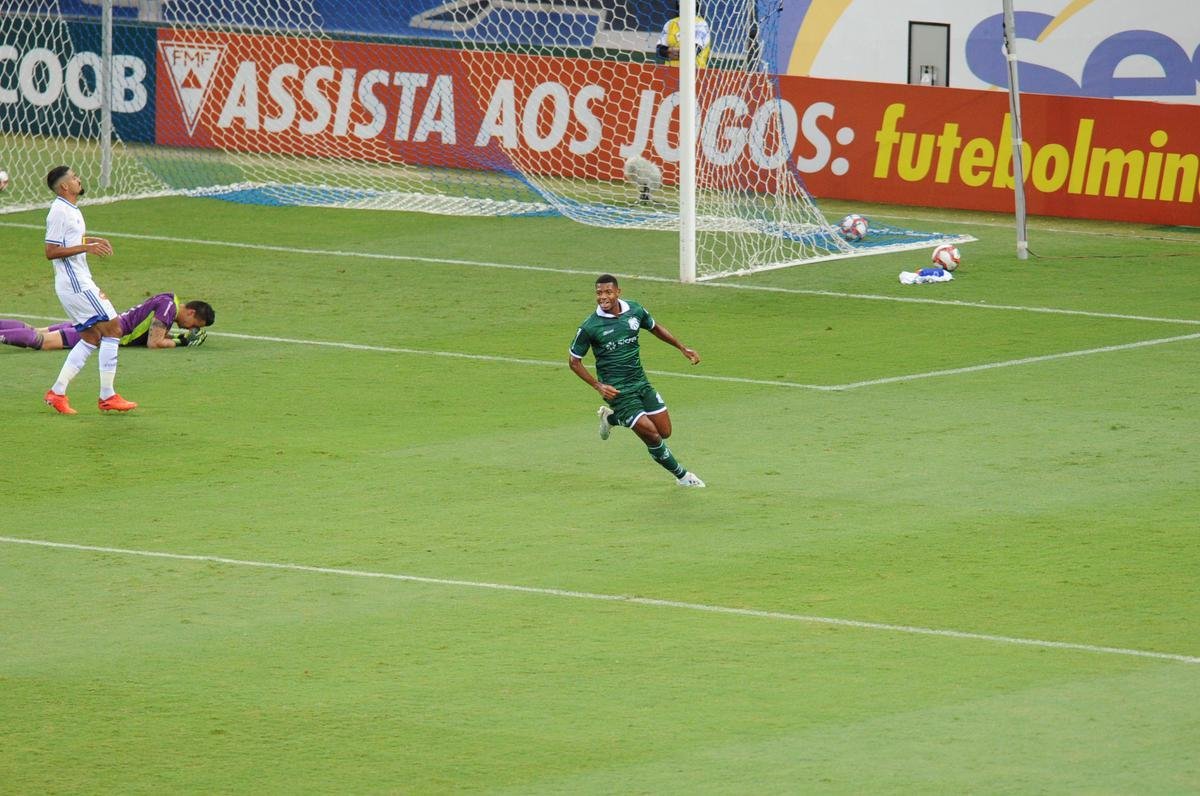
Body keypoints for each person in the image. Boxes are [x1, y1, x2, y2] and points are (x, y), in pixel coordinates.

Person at [569, 274, 705, 487]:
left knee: (664, 431)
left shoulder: (634, 310)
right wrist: (598, 385)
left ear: (618, 292)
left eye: (608, 292)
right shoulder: (589, 327)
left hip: (640, 382)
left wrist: (681, 347)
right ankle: (683, 476)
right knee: (651, 435)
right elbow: (574, 361)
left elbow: (655, 328)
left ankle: (612, 419)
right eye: (599, 293)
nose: (603, 297)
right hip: (618, 392)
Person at [41, 165, 135, 414]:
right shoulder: (59, 212)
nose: (78, 179)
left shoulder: (71, 209)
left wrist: (89, 240)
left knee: (91, 337)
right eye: (73, 178)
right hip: (76, 284)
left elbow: (69, 241)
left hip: (76, 283)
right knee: (114, 327)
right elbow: (51, 251)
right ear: (64, 187)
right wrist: (86, 248)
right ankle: (108, 396)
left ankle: (57, 392)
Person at [0, 293, 214, 351]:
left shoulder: (169, 301)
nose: (191, 328)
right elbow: (154, 342)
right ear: (191, 312)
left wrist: (177, 335)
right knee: (41, 341)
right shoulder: (169, 309)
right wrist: (182, 341)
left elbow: (151, 332)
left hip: (99, 320)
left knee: (35, 329)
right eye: (194, 325)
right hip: (103, 331)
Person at [656, 3, 712, 68]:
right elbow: (659, 52)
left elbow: (692, 52)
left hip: (696, 73)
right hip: (670, 73)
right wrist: (681, 53)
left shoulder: (701, 25)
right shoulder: (670, 23)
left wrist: (669, 51)